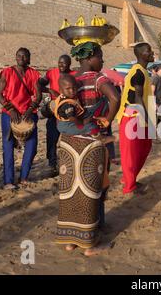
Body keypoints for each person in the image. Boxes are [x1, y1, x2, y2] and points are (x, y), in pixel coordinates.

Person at [55, 40, 120, 257]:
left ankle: (70, 242)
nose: (102, 60)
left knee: (70, 191)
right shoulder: (98, 78)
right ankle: (89, 246)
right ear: (90, 57)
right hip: (88, 144)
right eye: (100, 56)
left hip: (66, 143)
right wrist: (107, 119)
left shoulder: (69, 80)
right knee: (89, 193)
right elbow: (115, 97)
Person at [0, 48, 41, 190]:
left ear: (29, 58)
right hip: (9, 113)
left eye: (24, 56)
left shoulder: (33, 73)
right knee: (8, 146)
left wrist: (30, 109)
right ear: (15, 57)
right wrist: (10, 109)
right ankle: (8, 181)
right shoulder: (7, 72)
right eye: (19, 55)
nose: (21, 57)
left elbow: (38, 95)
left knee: (32, 146)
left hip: (28, 113)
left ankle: (24, 177)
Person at [116, 42, 156, 195]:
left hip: (141, 117)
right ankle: (129, 186)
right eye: (149, 51)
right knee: (130, 154)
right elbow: (138, 97)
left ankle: (129, 179)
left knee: (144, 148)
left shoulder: (144, 72)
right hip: (132, 117)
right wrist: (149, 120)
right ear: (140, 54)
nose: (152, 53)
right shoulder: (137, 72)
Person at [37, 55, 76, 175]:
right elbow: (39, 84)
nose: (61, 65)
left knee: (69, 138)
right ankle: (52, 164)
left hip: (69, 109)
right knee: (52, 138)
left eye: (64, 63)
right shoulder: (51, 73)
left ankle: (71, 162)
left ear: (69, 64)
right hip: (54, 110)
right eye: (60, 63)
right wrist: (49, 91)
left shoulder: (74, 74)